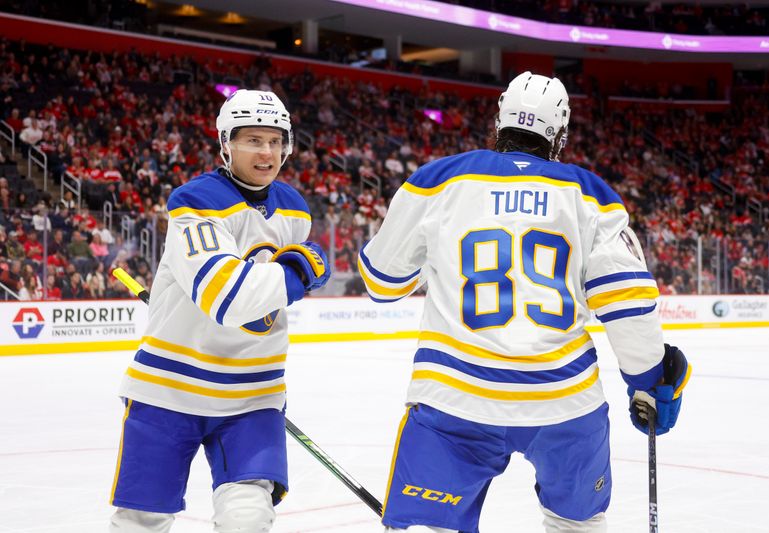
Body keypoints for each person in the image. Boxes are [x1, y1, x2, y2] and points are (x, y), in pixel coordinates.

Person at [358, 72, 691, 533]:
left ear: (500, 120)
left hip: (456, 396)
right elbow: (627, 301)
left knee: (431, 527)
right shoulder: (591, 194)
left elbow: (382, 280)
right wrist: (651, 380)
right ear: (559, 134)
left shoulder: (437, 180)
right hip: (564, 400)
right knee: (577, 525)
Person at [109, 89, 331, 532]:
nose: (266, 152)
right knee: (142, 520)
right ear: (225, 144)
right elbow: (227, 298)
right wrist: (299, 273)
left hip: (254, 393)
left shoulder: (294, 208)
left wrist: (298, 272)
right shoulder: (196, 201)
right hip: (169, 389)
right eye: (252, 139)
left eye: (275, 140)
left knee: (248, 516)